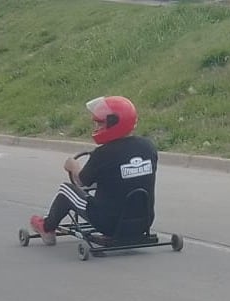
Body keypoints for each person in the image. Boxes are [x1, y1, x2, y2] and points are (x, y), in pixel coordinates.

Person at [30, 96, 158, 245]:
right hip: (144, 222)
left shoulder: (103, 153)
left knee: (66, 190)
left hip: (108, 224)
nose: (97, 128)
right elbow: (123, 177)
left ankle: (46, 227)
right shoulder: (148, 147)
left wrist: (73, 166)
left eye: (100, 124)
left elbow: (82, 182)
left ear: (114, 123)